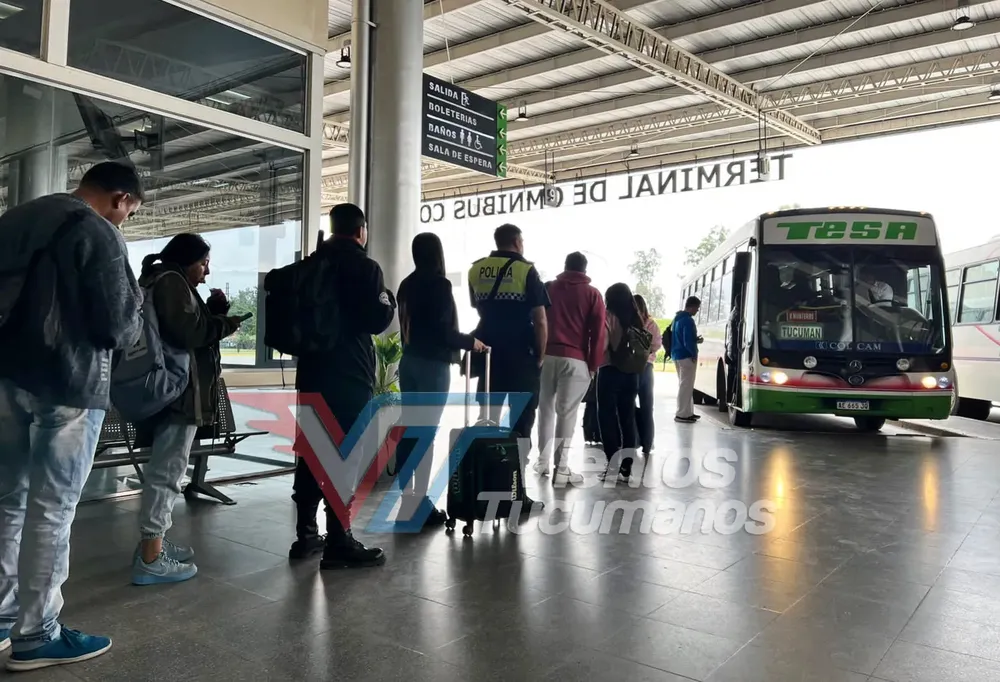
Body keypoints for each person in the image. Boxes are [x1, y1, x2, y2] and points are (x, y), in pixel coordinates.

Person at [0, 162, 144, 671]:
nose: (125, 218)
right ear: (121, 198)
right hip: (69, 383)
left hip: (7, 377)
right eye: (130, 210)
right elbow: (117, 326)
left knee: (8, 499)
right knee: (52, 508)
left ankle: (2, 615)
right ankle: (38, 633)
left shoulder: (16, 218)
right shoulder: (97, 231)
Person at [131, 234, 244, 585]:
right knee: (167, 473)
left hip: (164, 391)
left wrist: (213, 315)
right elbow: (187, 333)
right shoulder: (170, 282)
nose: (207, 271)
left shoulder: (158, 278)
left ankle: (154, 544)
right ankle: (151, 558)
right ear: (188, 259)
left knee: (166, 470)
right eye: (203, 263)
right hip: (177, 395)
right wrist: (223, 323)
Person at [290, 203, 396, 569]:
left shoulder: (311, 264)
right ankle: (339, 540)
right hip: (349, 374)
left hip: (312, 372)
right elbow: (376, 319)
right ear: (361, 230)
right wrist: (389, 301)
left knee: (310, 450)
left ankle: (305, 535)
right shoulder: (364, 268)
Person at [396, 233, 486, 528]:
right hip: (432, 366)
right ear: (437, 254)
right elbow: (443, 332)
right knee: (426, 433)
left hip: (408, 362)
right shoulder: (439, 284)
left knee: (410, 429)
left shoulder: (406, 285)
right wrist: (471, 342)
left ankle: (407, 499)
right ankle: (419, 505)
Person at [468, 223, 549, 512]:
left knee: (486, 422)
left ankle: (483, 487)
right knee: (520, 426)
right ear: (517, 241)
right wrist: (539, 356)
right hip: (520, 358)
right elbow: (540, 320)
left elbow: (479, 309)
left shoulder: (475, 270)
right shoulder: (527, 271)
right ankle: (515, 492)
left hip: (488, 355)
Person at [534, 252, 606, 485]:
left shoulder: (549, 288)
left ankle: (542, 463)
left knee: (545, 410)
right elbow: (597, 334)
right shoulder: (593, 294)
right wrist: (593, 365)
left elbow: (537, 321)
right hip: (575, 360)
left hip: (547, 357)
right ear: (585, 270)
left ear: (565, 266)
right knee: (566, 413)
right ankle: (561, 468)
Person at [597, 283, 644, 482]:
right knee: (627, 418)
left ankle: (612, 464)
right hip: (632, 374)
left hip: (609, 371)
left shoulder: (607, 316)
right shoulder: (637, 318)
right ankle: (627, 466)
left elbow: (603, 344)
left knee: (607, 418)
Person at [633, 294, 663, 455]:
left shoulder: (628, 323)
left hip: (631, 368)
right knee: (647, 406)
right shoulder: (651, 324)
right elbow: (657, 344)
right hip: (646, 367)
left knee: (629, 406)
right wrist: (647, 351)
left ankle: (634, 440)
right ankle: (647, 442)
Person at [672, 296, 702, 423]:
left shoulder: (677, 318)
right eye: (697, 308)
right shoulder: (688, 320)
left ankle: (688, 412)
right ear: (692, 306)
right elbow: (687, 341)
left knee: (685, 385)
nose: (697, 311)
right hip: (686, 356)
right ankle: (682, 414)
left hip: (676, 355)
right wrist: (694, 354)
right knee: (686, 385)